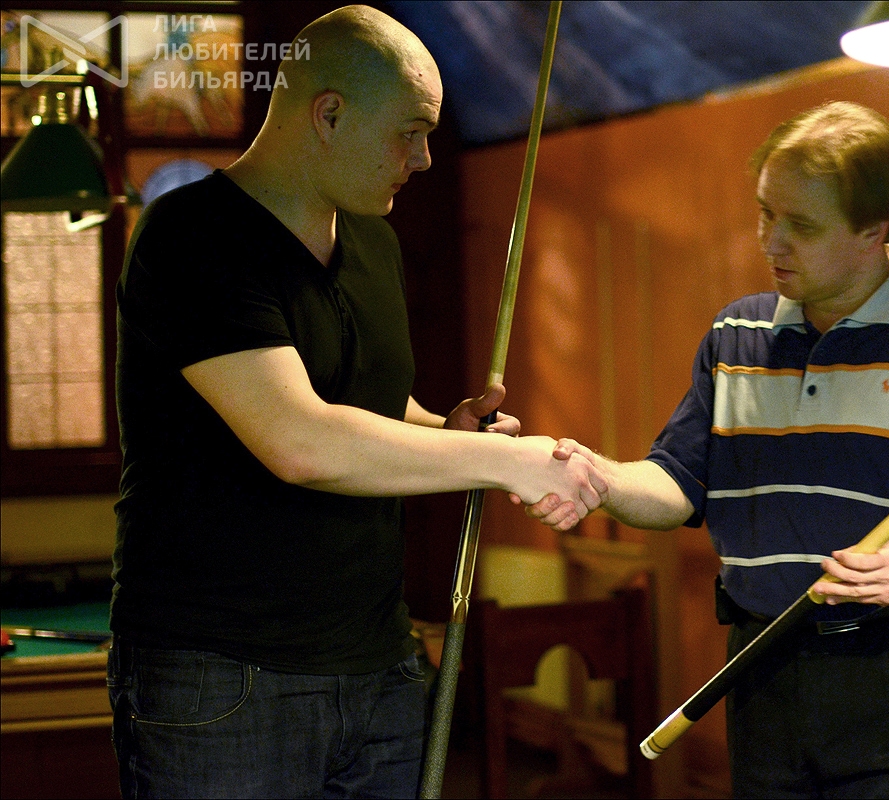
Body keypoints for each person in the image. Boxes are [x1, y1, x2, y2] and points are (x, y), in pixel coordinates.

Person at [109, 6, 605, 798]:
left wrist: (445, 428)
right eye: (410, 133)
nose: (425, 158)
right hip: (225, 677)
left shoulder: (373, 236)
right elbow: (298, 438)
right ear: (330, 114)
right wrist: (502, 460)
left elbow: (363, 402)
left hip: (378, 664)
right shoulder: (193, 236)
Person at [524, 101, 889, 798]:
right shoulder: (735, 336)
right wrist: (603, 479)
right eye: (765, 213)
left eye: (800, 226)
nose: (771, 242)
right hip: (761, 668)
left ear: (873, 230)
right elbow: (677, 484)